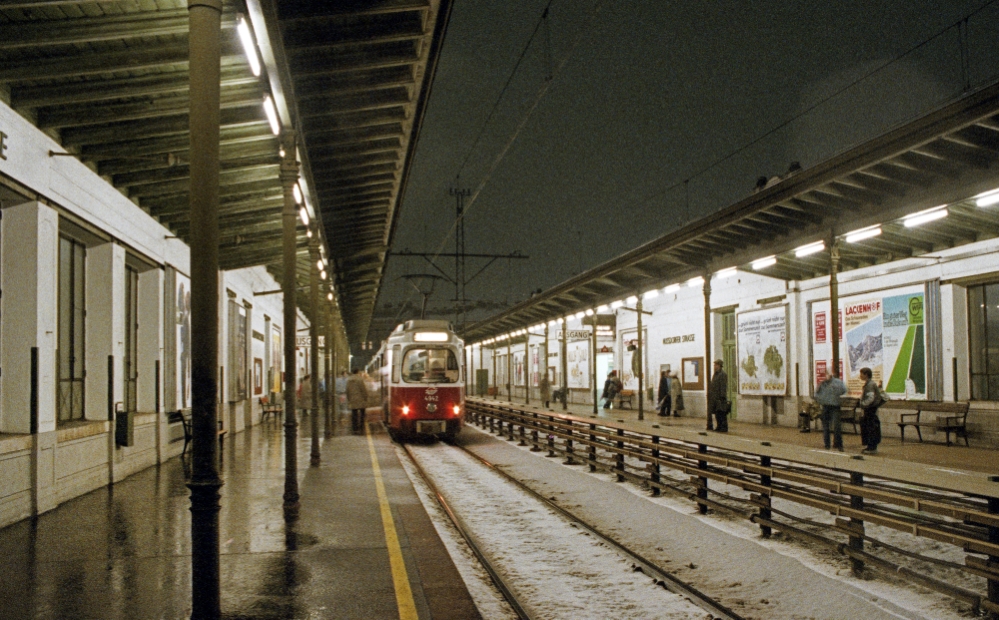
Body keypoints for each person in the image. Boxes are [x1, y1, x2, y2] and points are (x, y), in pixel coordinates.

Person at [814, 370, 847, 450]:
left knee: (837, 426)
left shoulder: (837, 382)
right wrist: (820, 400)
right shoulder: (822, 384)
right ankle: (827, 444)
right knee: (826, 427)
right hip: (825, 406)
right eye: (825, 374)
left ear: (831, 374)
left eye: (827, 374)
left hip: (835, 406)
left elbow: (844, 390)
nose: (826, 376)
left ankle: (839, 444)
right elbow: (816, 394)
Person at [858, 367, 882, 454]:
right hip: (871, 408)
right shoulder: (869, 384)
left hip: (870, 409)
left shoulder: (870, 385)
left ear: (866, 375)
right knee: (869, 427)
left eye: (861, 374)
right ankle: (870, 446)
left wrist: (863, 404)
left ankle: (872, 447)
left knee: (870, 427)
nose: (860, 376)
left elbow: (871, 397)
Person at [346, 367, 369, 434]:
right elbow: (363, 389)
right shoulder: (360, 379)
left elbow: (347, 390)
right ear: (358, 372)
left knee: (354, 414)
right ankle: (361, 427)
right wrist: (366, 397)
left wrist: (349, 398)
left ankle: (354, 428)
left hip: (352, 399)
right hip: (361, 399)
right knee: (362, 413)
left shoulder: (348, 380)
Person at [709, 359, 729, 432]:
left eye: (716, 365)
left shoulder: (723, 374)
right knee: (717, 413)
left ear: (719, 366)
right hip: (715, 397)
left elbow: (723, 386)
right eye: (714, 365)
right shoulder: (715, 374)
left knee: (722, 413)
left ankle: (723, 427)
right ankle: (719, 426)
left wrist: (722, 396)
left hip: (720, 398)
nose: (714, 366)